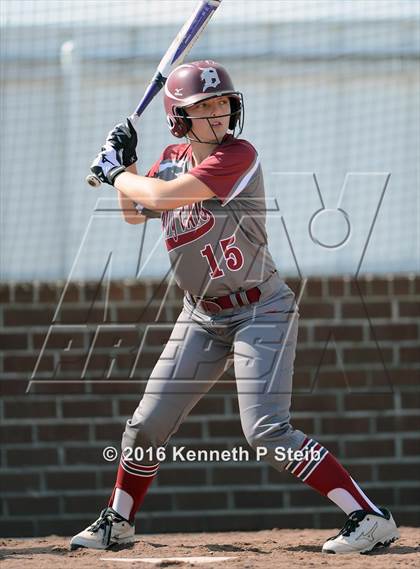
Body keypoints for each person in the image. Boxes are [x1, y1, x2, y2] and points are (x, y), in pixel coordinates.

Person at [70, 60, 399, 554]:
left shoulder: (238, 156)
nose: (219, 114)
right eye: (204, 107)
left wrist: (115, 171)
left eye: (223, 103)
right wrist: (128, 162)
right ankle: (118, 522)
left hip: (259, 310)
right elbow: (137, 212)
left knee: (266, 431)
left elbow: (158, 195)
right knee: (146, 423)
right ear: (178, 118)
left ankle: (370, 517)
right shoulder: (171, 158)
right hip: (200, 315)